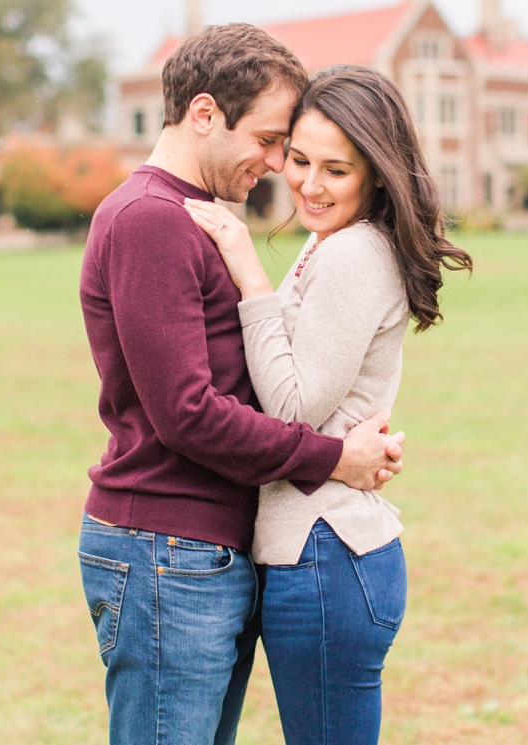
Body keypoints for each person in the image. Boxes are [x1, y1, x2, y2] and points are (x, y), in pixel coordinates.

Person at [76, 26, 406, 745]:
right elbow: (188, 414)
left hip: (205, 547)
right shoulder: (150, 221)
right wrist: (331, 458)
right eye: (267, 139)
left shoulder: (196, 219)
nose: (277, 162)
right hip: (166, 544)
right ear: (203, 115)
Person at [183, 64, 472, 745]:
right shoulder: (331, 243)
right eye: (300, 159)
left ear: (377, 172)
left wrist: (247, 267)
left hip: (326, 557)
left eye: (335, 170)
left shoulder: (354, 255)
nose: (309, 184)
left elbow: (291, 408)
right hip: (323, 555)